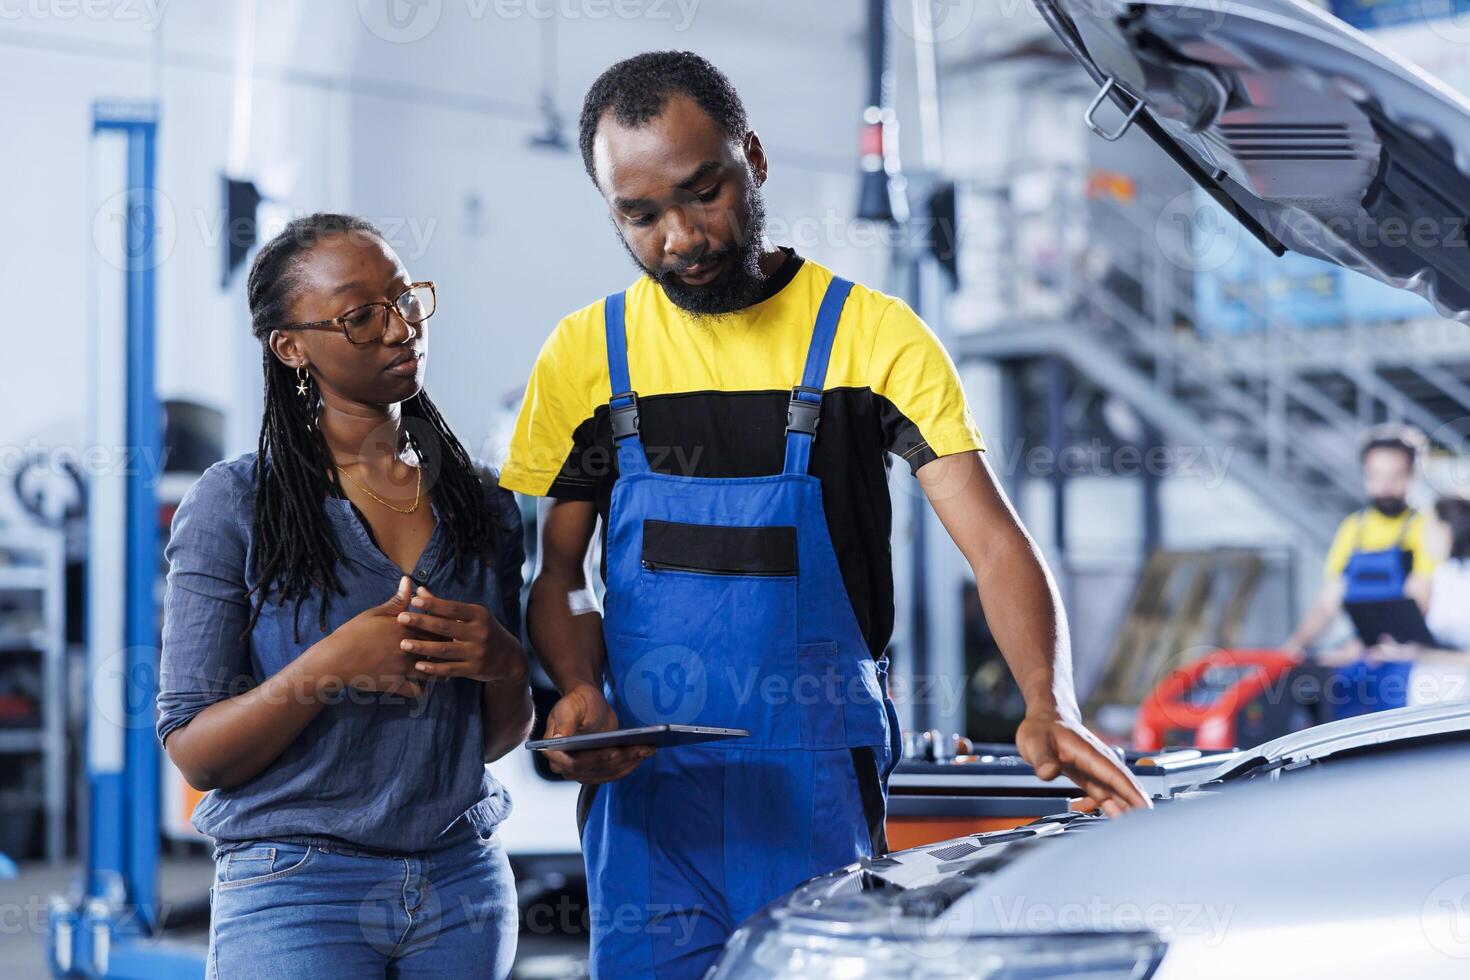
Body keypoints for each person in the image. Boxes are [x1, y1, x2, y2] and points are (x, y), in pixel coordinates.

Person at [498, 52, 1149, 979]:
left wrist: (1050, 701)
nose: (681, 237)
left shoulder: (871, 338)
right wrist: (574, 686)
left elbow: (993, 543)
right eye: (640, 216)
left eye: (704, 192)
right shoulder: (584, 355)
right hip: (648, 802)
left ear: (754, 159)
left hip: (814, 794)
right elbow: (558, 577)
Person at [156, 214, 531, 978]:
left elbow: (490, 741)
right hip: (296, 889)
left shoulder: (480, 506)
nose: (400, 328)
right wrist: (330, 666)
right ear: (290, 347)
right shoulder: (236, 504)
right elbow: (195, 751)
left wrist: (504, 664)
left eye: (406, 299)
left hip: (462, 885)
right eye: (361, 316)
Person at [1284, 426, 1436, 717]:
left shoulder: (1427, 528)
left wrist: (1361, 647)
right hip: (1358, 657)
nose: (1385, 487)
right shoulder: (1353, 529)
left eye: (1395, 476)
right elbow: (1327, 603)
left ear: (1414, 475)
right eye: (1375, 476)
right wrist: (1293, 647)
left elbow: (1419, 602)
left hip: (1406, 657)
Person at [1368, 495, 1470, 706]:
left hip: (1460, 701)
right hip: (1429, 694)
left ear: (1448, 529)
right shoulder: (1442, 574)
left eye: (1428, 528)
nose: (1423, 538)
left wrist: (1421, 654)